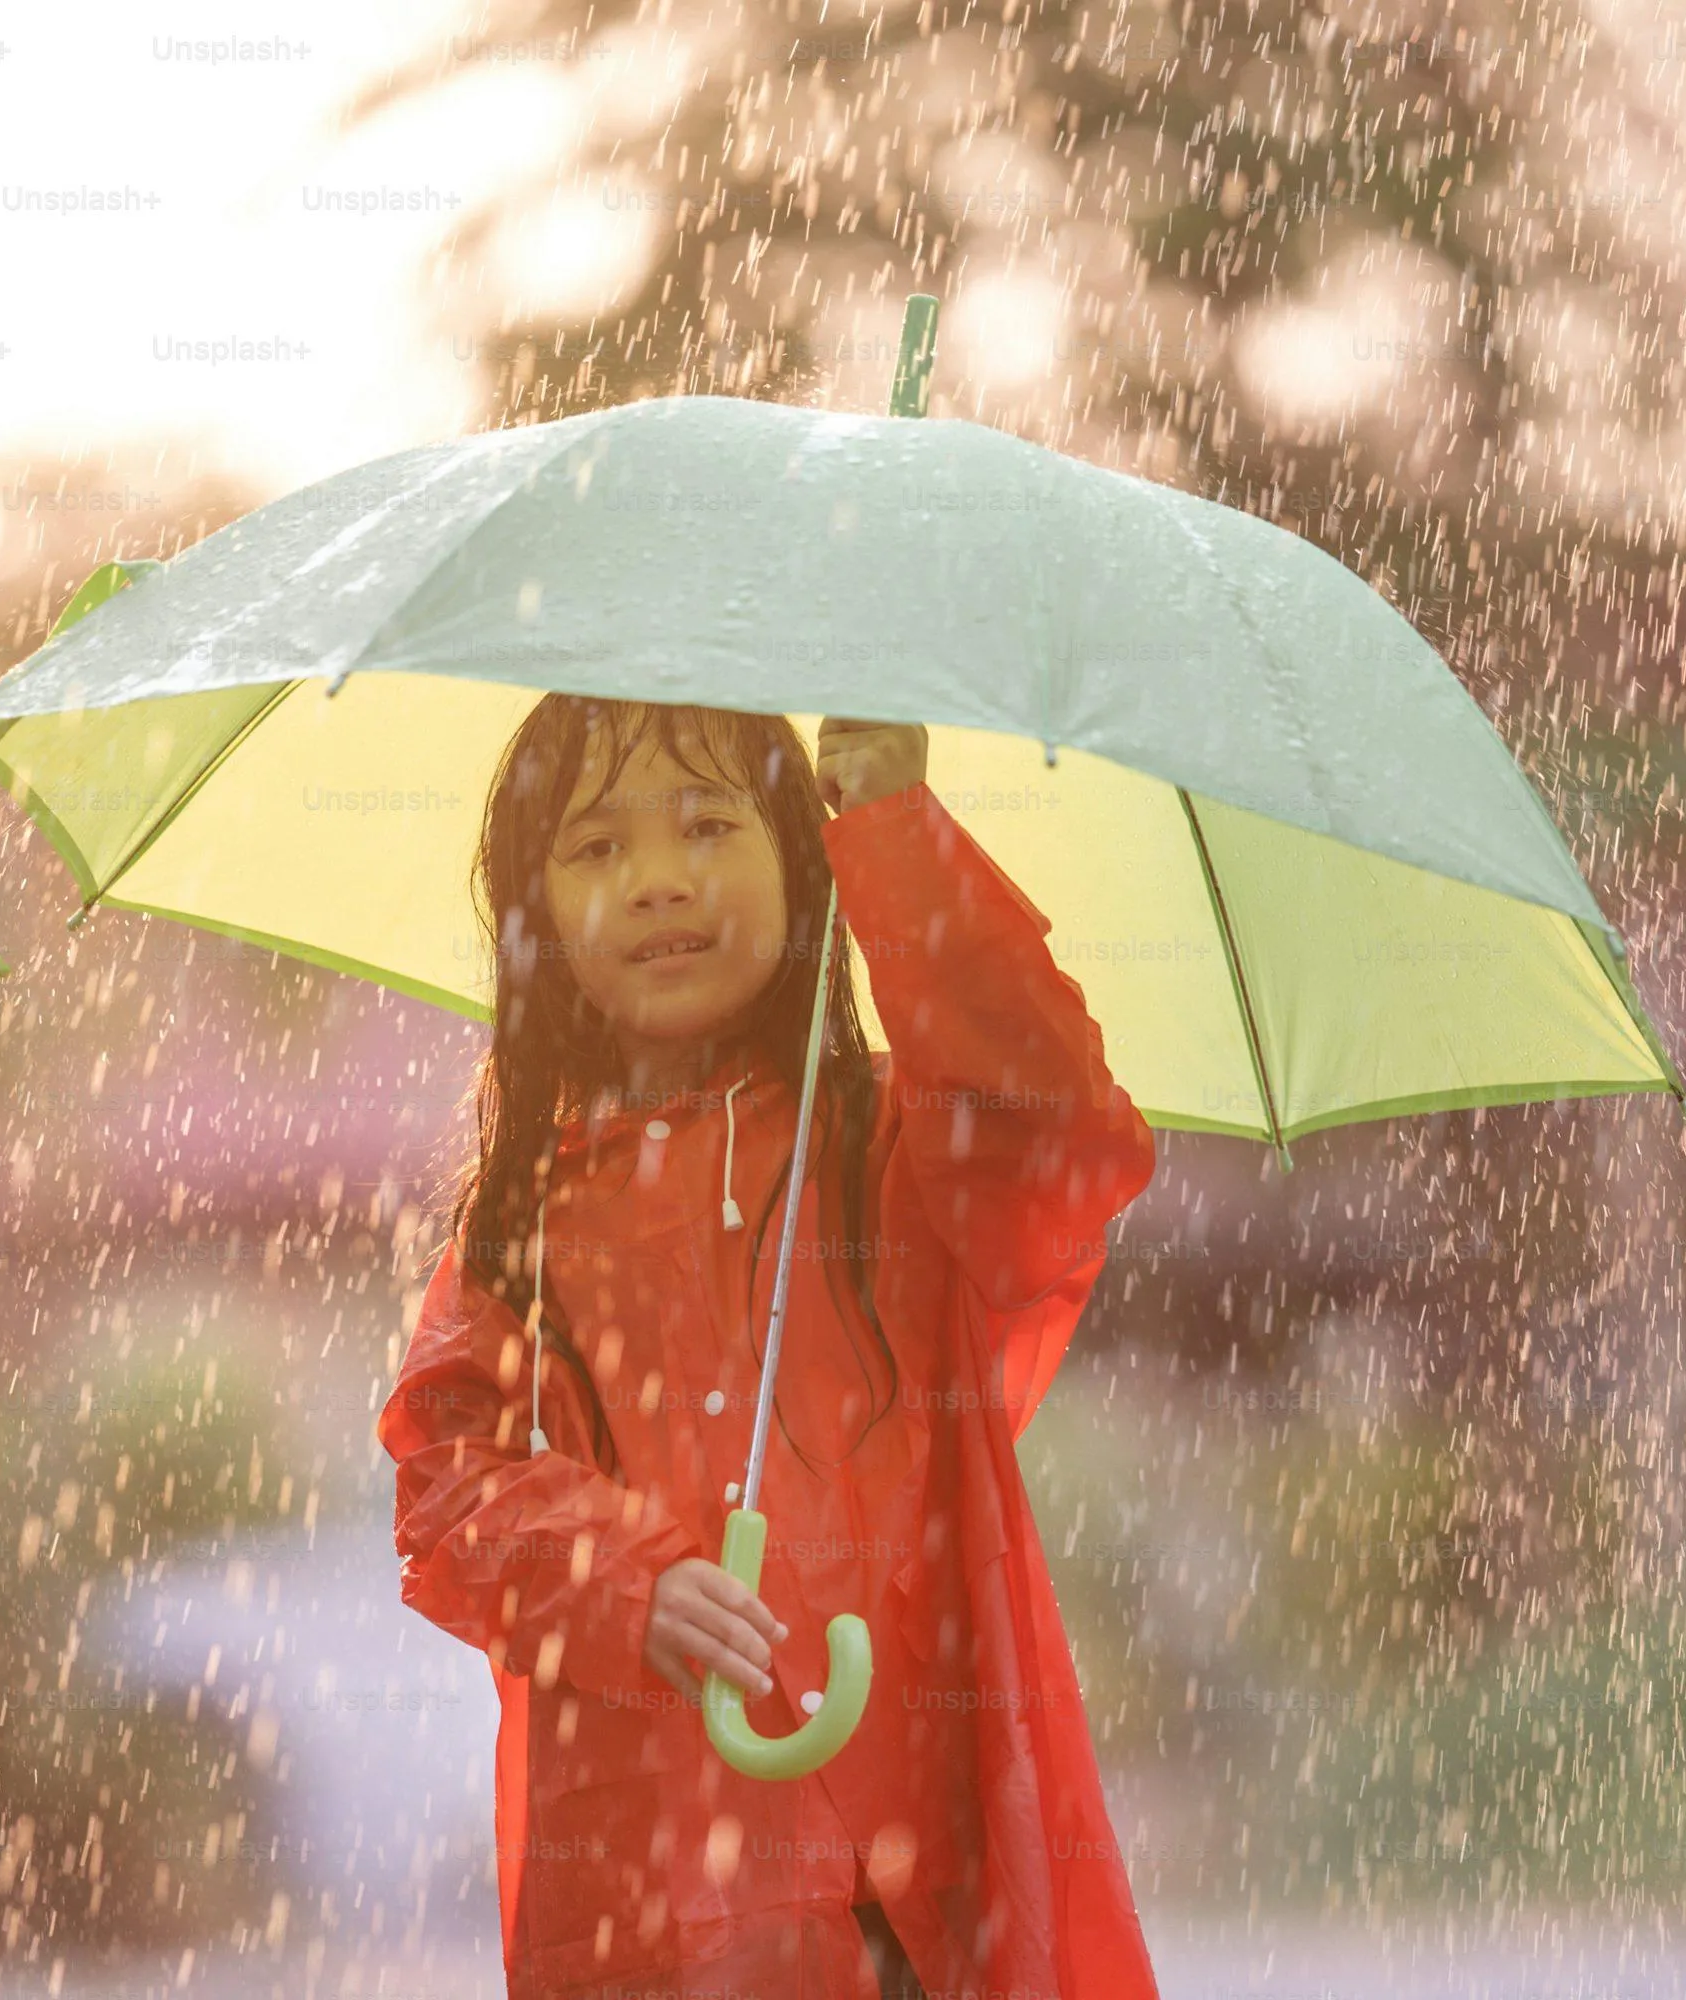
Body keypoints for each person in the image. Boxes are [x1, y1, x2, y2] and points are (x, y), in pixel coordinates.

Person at [377, 696, 1162, 1998]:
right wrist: (623, 1578)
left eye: (706, 824)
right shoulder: (526, 1218)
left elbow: (1060, 1140)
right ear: (536, 915)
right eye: (595, 849)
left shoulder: (892, 1155)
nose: (659, 882)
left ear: (797, 860)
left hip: (920, 1885)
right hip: (670, 1897)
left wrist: (896, 836)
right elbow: (445, 1475)